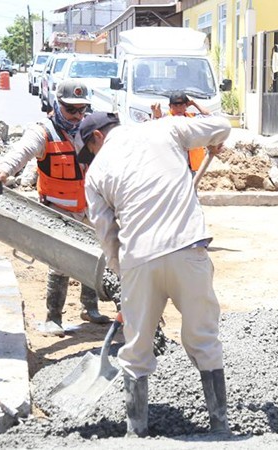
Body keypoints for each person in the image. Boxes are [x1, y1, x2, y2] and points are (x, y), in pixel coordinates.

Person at [82, 112, 232, 437]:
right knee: (203, 339)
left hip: (139, 259)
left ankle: (136, 433)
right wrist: (213, 140)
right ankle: (220, 427)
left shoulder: (96, 173)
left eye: (89, 148)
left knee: (136, 350)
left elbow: (106, 233)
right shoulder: (166, 128)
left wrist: (125, 275)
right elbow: (221, 125)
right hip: (187, 250)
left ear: (96, 137)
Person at [0, 79, 111, 335]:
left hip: (90, 207)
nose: (77, 116)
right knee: (61, 262)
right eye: (70, 110)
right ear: (57, 104)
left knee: (97, 256)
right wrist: (3, 169)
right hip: (59, 210)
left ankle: (90, 308)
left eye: (81, 110)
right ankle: (53, 317)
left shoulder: (90, 131)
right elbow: (22, 151)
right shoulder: (44, 132)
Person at [150, 91, 210, 173]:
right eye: (175, 105)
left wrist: (194, 102)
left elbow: (208, 116)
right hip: (171, 167)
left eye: (181, 105)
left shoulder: (192, 118)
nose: (178, 109)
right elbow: (158, 117)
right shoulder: (166, 118)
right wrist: (156, 112)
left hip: (189, 167)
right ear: (170, 106)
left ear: (186, 106)